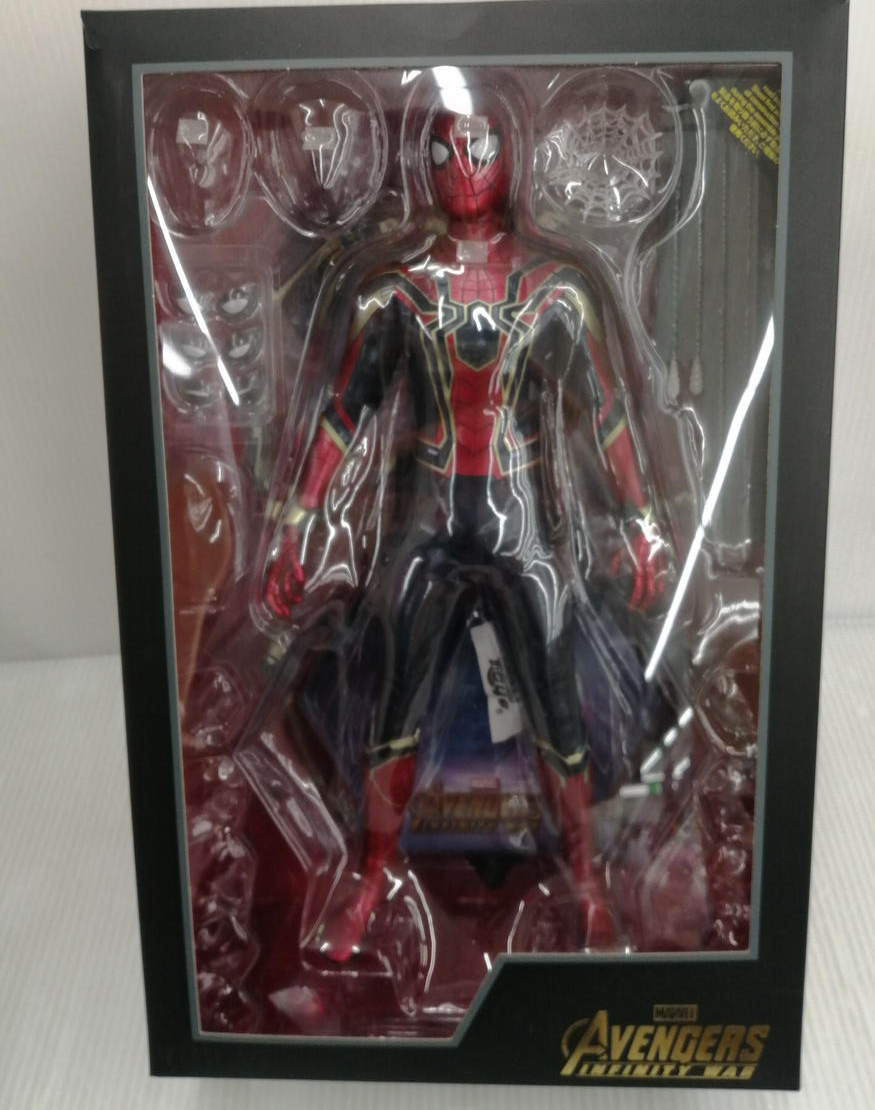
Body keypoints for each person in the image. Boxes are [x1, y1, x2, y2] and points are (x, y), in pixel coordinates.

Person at [264, 96, 667, 959]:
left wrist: (642, 522)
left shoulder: (554, 290)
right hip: (428, 517)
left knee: (557, 702)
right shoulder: (398, 292)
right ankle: (370, 878)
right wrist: (299, 521)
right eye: (447, 150)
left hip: (524, 525)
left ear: (510, 155)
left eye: (481, 147)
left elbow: (606, 414)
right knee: (393, 701)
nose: (465, 167)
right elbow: (344, 412)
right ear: (426, 161)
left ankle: (588, 883)